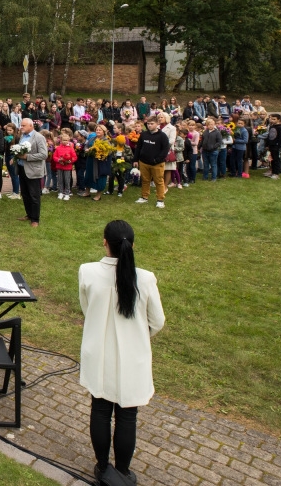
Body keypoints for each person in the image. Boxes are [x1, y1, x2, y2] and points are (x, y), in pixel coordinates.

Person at [79, 220, 165, 484]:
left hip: (98, 351)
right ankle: (123, 471)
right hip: (132, 356)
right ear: (132, 245)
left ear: (104, 242)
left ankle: (103, 467)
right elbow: (158, 321)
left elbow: (87, 308)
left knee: (101, 409)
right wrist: (139, 336)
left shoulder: (88, 272)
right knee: (127, 414)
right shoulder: (146, 279)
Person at [17, 118, 47, 227]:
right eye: (21, 125)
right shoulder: (22, 136)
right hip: (22, 168)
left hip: (33, 170)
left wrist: (27, 157)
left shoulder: (39, 137)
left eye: (23, 125)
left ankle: (35, 219)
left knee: (34, 195)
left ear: (31, 126)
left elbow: (44, 155)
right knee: (25, 194)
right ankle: (29, 214)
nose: (21, 127)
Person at [134, 117, 170, 208]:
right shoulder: (143, 134)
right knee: (145, 180)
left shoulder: (162, 136)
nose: (149, 125)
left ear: (157, 124)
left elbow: (165, 150)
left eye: (152, 123)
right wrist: (135, 159)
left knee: (159, 181)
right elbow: (138, 147)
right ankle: (144, 197)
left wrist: (157, 160)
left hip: (157, 164)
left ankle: (160, 199)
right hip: (144, 162)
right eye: (148, 124)